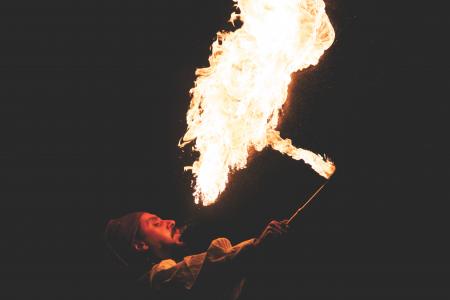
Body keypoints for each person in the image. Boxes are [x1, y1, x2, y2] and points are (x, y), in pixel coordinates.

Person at [104, 211, 289, 300]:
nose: (170, 221)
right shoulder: (157, 279)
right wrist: (257, 246)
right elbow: (215, 268)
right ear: (140, 245)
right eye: (156, 223)